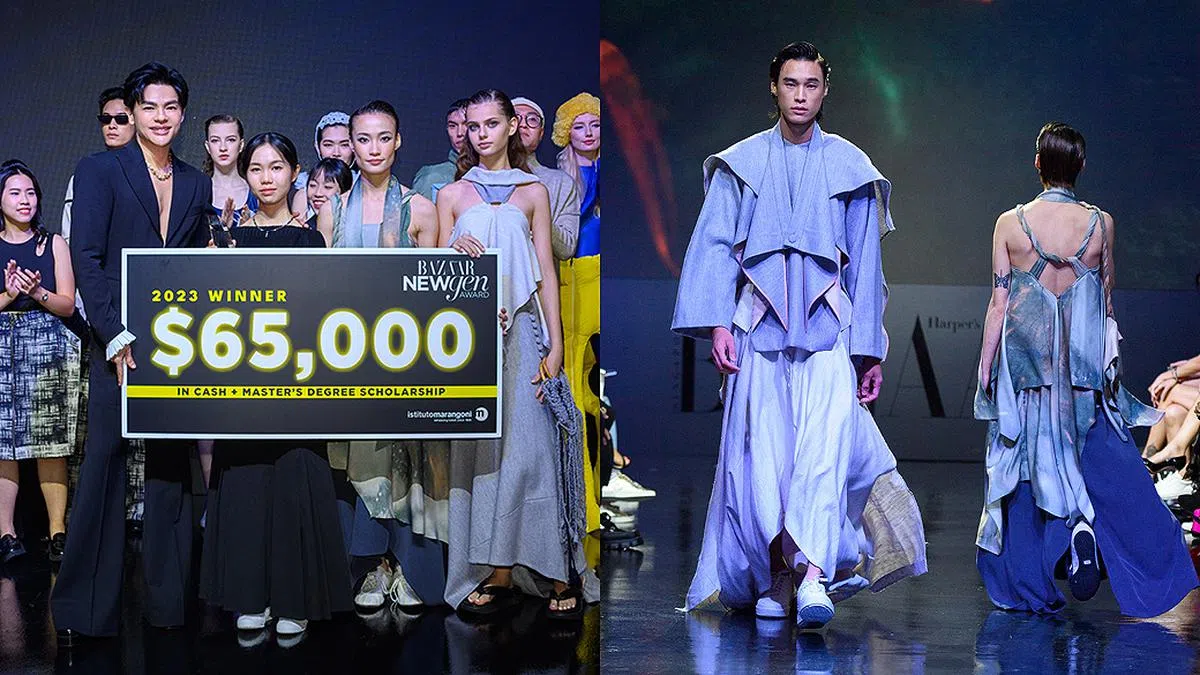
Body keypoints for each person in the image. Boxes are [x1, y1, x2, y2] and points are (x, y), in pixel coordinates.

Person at [672, 42, 927, 629]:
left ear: (825, 90)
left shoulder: (850, 166)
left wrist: (868, 351)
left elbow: (865, 264)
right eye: (791, 83)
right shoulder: (741, 163)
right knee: (763, 463)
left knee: (821, 454)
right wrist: (718, 325)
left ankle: (811, 575)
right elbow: (714, 247)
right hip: (757, 330)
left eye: (812, 85)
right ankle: (776, 576)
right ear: (774, 87)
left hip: (829, 333)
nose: (801, 95)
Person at [973, 122, 1198, 616]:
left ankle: (1040, 570)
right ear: (1081, 166)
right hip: (1083, 367)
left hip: (1028, 367)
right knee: (1103, 461)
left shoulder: (1010, 224)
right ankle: (1088, 529)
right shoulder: (1100, 224)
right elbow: (1106, 303)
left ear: (1037, 163)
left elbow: (999, 303)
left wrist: (986, 369)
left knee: (1025, 469)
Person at [52, 62, 213, 645]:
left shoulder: (194, 182)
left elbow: (189, 265)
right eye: (150, 107)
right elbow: (87, 257)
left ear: (183, 114)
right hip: (114, 342)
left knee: (171, 468)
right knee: (104, 463)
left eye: (171, 107)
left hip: (172, 343)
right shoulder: (100, 169)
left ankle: (169, 607)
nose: (160, 117)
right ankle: (83, 611)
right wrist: (113, 332)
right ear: (133, 111)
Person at [437, 88, 596, 619]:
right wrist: (448, 251)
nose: (481, 134)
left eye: (491, 123)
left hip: (524, 331)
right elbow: (431, 278)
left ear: (511, 126)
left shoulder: (533, 192)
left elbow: (546, 270)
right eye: (473, 125)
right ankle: (496, 568)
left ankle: (556, 570)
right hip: (470, 341)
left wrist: (556, 342)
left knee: (533, 450)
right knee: (484, 456)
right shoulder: (451, 194)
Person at [199, 132, 351, 641]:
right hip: (243, 388)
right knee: (247, 483)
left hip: (298, 387)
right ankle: (250, 595)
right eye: (257, 168)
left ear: (294, 173)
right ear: (245, 175)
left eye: (277, 167)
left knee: (293, 481)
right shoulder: (228, 239)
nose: (267, 178)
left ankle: (294, 599)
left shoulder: (310, 240)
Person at [321, 100, 445, 615]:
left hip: (403, 356)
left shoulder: (420, 208)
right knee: (359, 464)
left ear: (398, 142)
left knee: (404, 462)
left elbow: (436, 293)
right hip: (349, 356)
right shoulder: (333, 209)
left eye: (383, 137)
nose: (373, 148)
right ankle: (372, 565)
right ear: (351, 145)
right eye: (363, 139)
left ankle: (405, 566)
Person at [0, 161, 81, 564]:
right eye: (15, 193)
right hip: (3, 344)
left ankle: (57, 531)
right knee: (4, 444)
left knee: (51, 441)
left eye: (30, 192)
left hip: (47, 344)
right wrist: (9, 294)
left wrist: (37, 292)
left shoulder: (54, 244)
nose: (25, 200)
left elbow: (67, 304)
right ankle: (6, 533)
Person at [550, 93, 604, 545]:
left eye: (595, 124)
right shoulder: (561, 178)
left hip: (604, 276)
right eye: (579, 126)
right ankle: (582, 503)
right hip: (574, 277)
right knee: (572, 385)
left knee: (598, 391)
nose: (587, 133)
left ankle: (602, 491)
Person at [61, 87, 136, 243]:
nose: (112, 125)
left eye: (121, 119)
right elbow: (69, 233)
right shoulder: (85, 175)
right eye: (105, 119)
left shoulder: (150, 175)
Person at [290, 111, 355, 219]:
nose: (336, 153)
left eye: (344, 145)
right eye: (328, 145)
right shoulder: (304, 191)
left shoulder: (362, 186)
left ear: (354, 146)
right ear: (318, 147)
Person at [202, 114, 257, 228]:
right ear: (208, 147)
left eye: (231, 140)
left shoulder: (257, 193)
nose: (223, 148)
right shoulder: (197, 194)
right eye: (215, 140)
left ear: (241, 145)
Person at [410, 99, 468, 203]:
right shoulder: (432, 177)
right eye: (452, 126)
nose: (460, 133)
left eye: (467, 124)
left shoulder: (492, 174)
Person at [303, 157, 352, 230]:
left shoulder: (355, 228)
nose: (318, 193)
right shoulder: (306, 228)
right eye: (313, 185)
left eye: (327, 187)